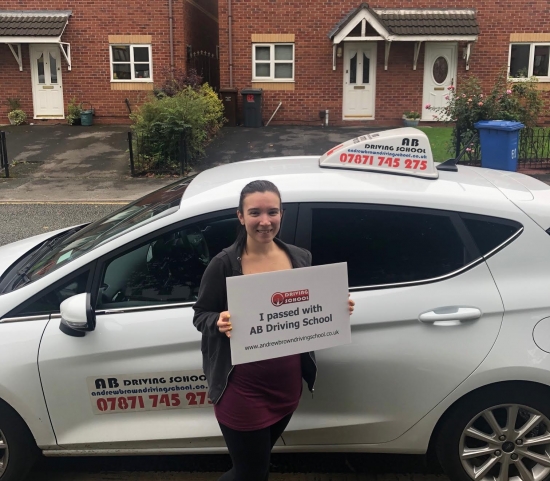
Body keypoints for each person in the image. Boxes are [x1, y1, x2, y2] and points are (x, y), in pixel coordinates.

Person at [193, 179, 354, 481]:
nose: (264, 221)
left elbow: (308, 306)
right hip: (241, 389)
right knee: (252, 472)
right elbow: (201, 314)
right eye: (255, 213)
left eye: (272, 212)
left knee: (256, 466)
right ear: (240, 216)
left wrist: (336, 308)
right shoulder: (224, 264)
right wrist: (218, 321)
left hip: (286, 387)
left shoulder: (299, 257)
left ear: (282, 214)